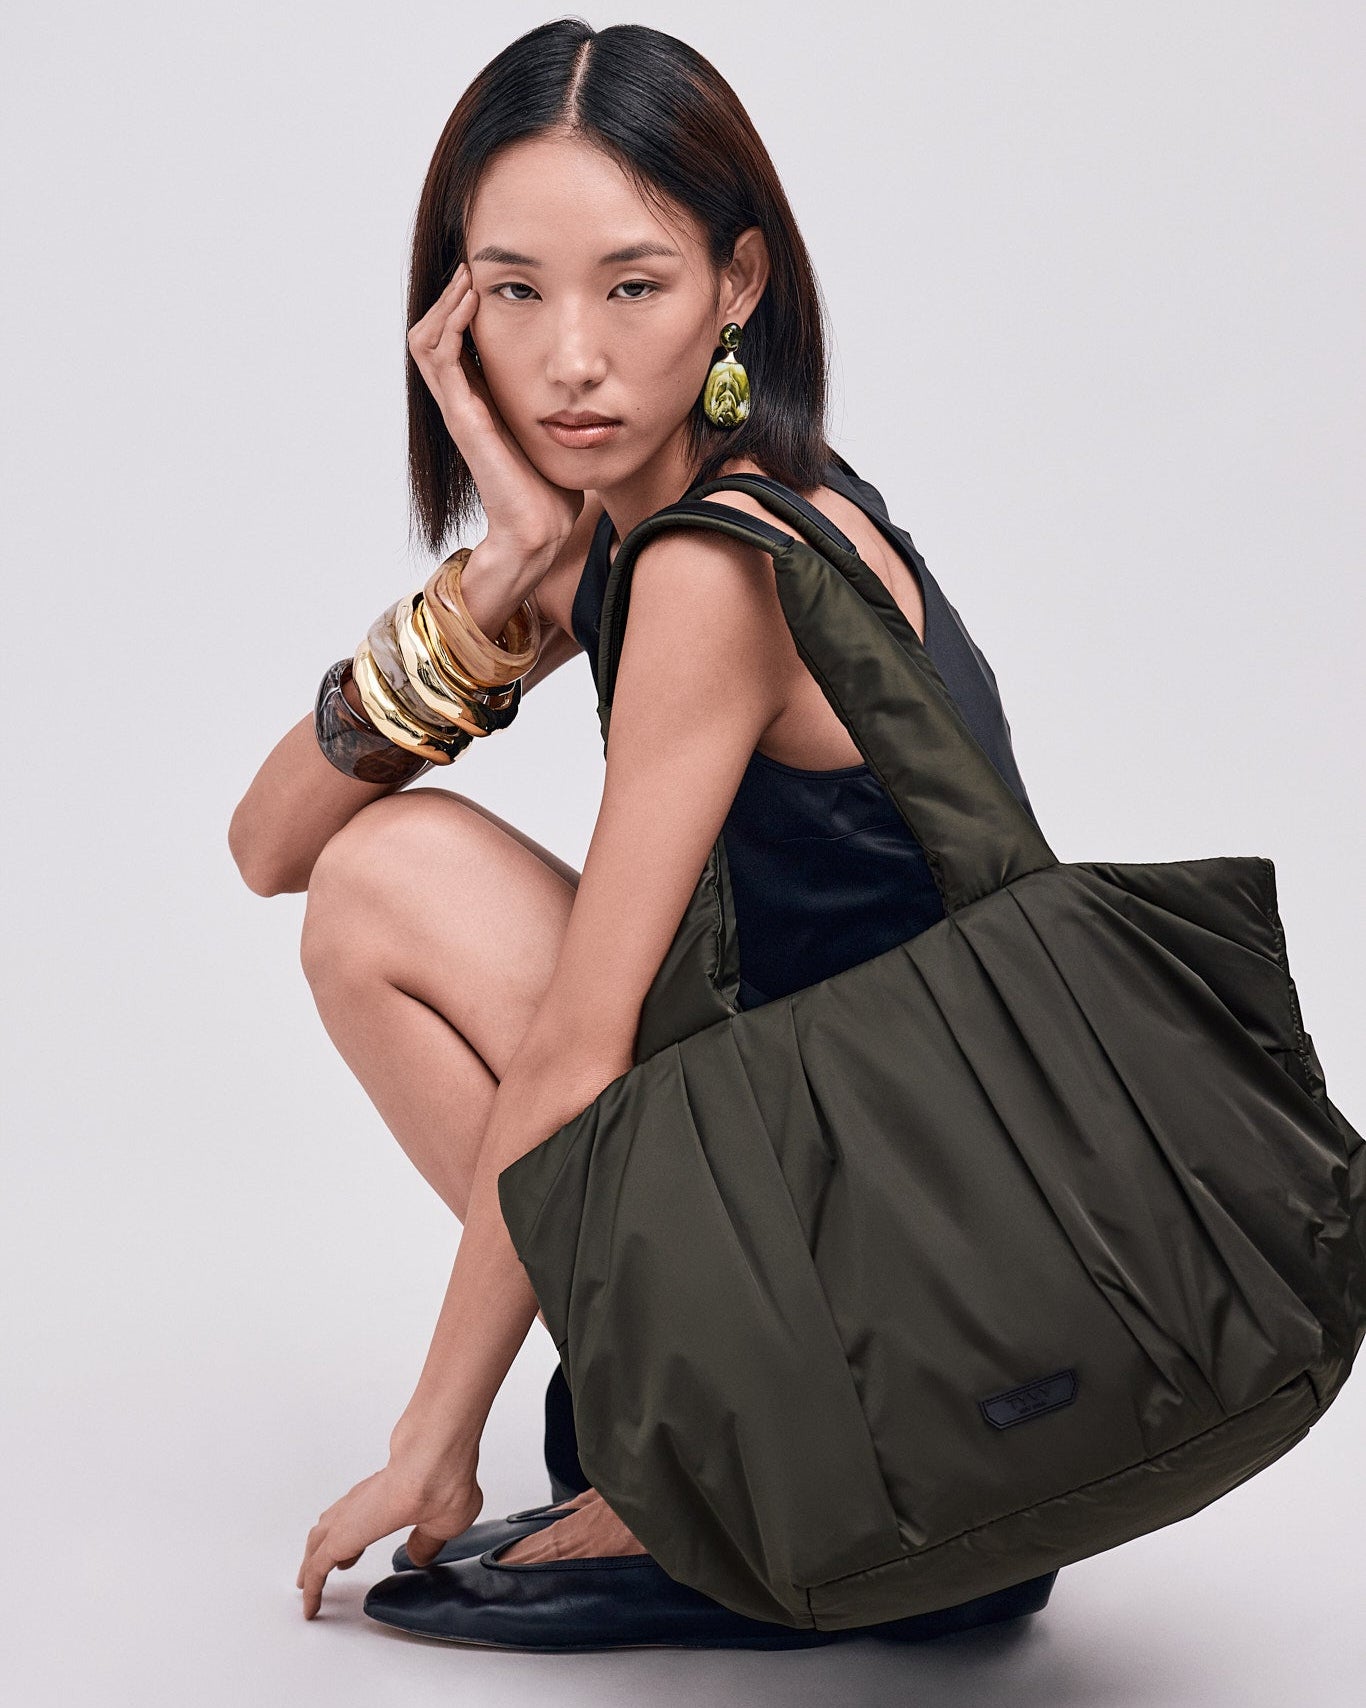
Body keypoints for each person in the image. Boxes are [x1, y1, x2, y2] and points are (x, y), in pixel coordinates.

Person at [228, 18, 1058, 1649]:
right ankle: (719, 1448)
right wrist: (495, 581)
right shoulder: (676, 526)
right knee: (371, 873)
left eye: (632, 284)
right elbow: (270, 844)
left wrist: (432, 1436)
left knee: (397, 881)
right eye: (513, 291)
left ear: (736, 284)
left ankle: (731, 1485)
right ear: (454, 310)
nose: (569, 360)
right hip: (914, 1271)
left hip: (914, 1337)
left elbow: (580, 1048)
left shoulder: (711, 567)